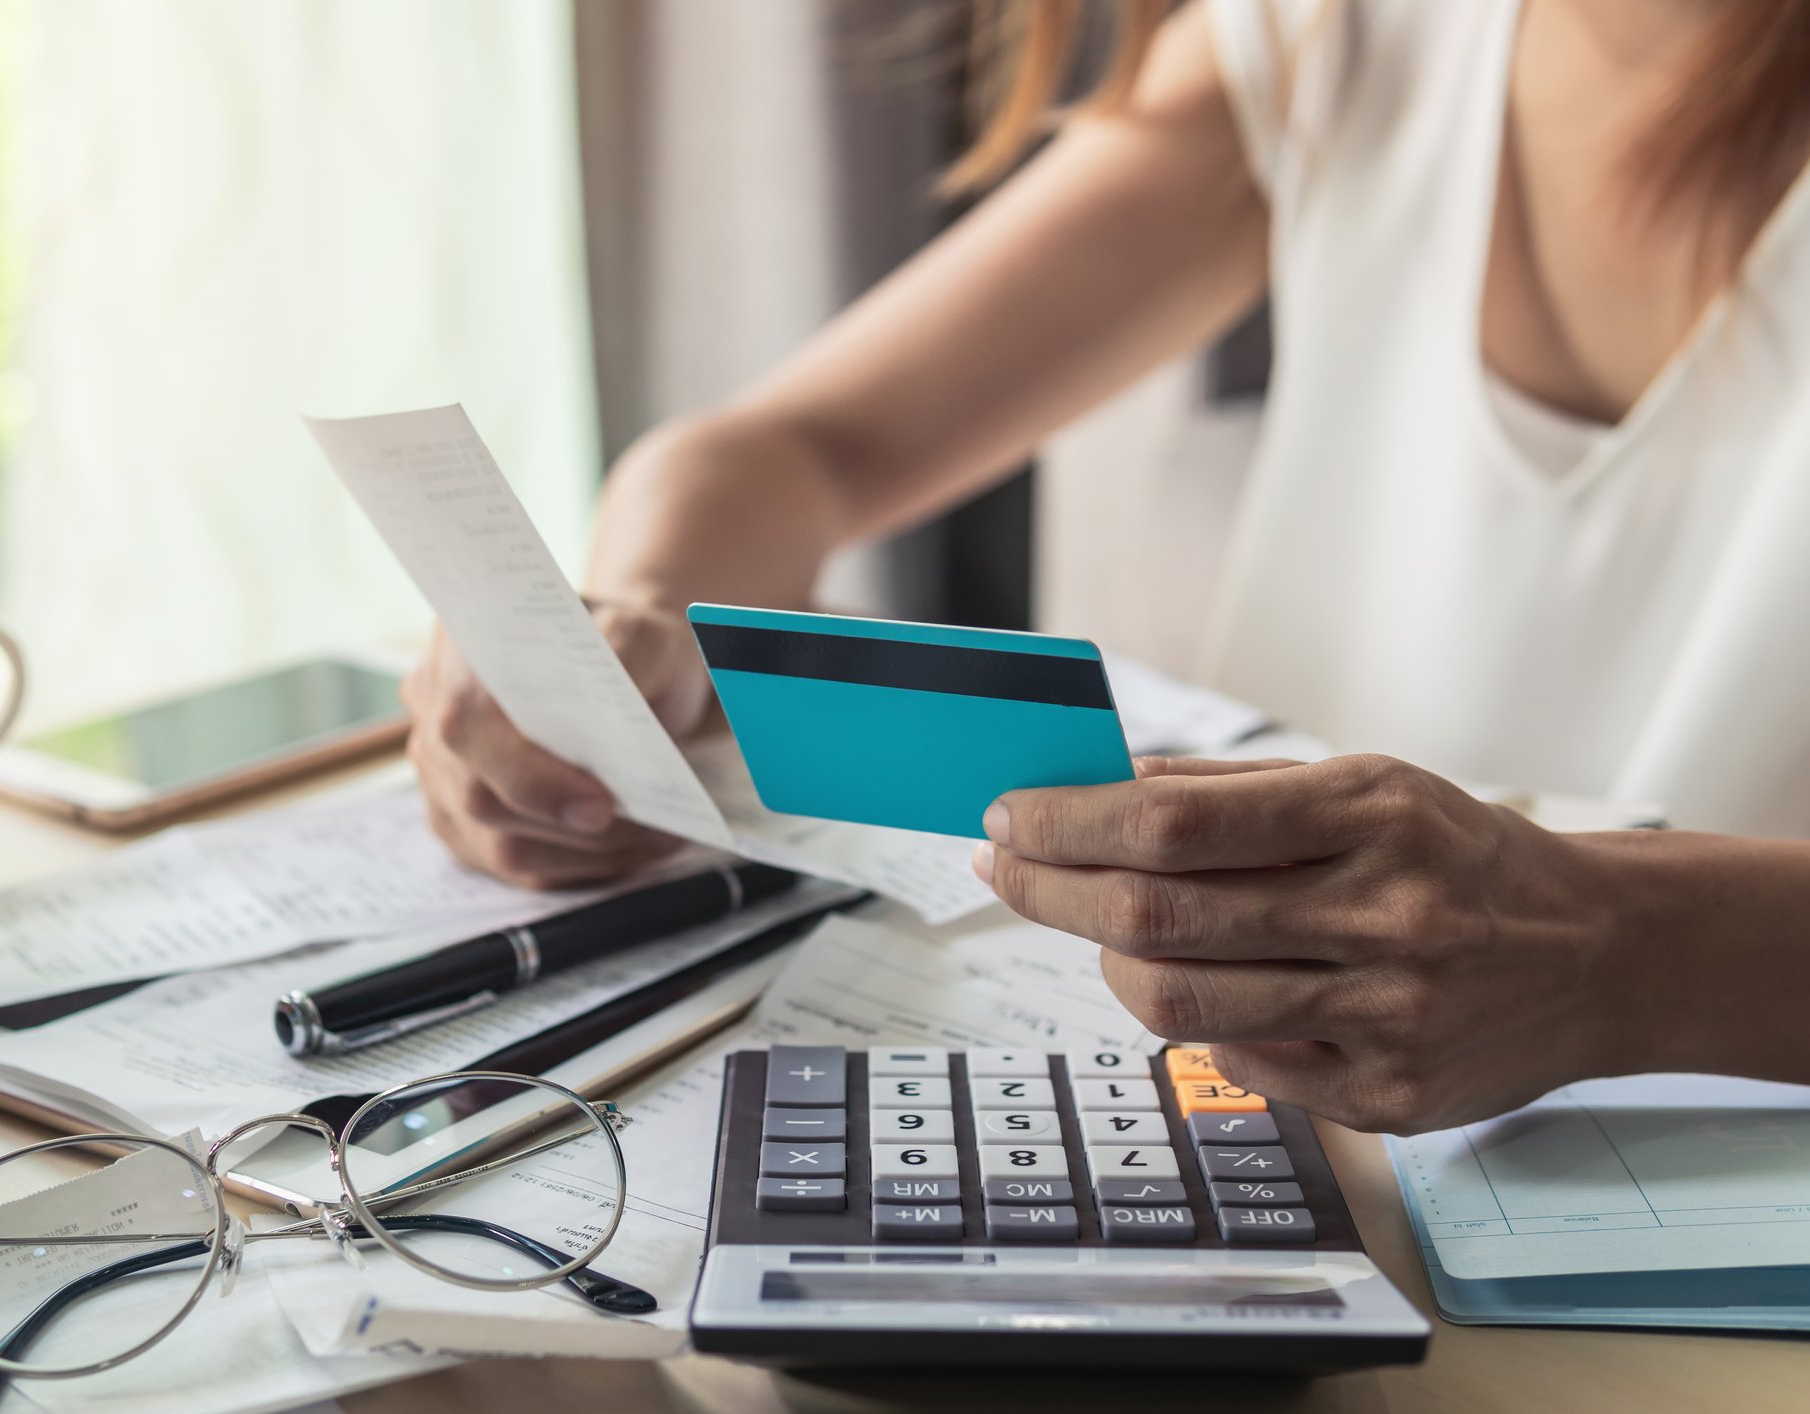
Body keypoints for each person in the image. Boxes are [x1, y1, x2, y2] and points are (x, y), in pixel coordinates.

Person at [400, 0, 1810, 1134]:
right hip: (1282, 1138)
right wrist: (625, 638)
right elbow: (792, 447)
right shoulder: (1341, 39)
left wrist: (1619, 950)